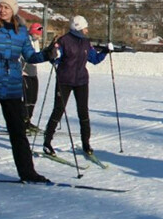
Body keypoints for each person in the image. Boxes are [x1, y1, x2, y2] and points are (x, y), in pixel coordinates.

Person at [0, 0, 50, 190]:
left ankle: (27, 172)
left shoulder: (21, 31)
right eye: (1, 6)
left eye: (7, 7)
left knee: (18, 131)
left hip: (12, 86)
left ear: (13, 10)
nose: (2, 10)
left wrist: (47, 54)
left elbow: (30, 56)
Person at [42, 16, 112, 157]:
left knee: (83, 112)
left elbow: (94, 59)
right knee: (58, 110)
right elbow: (55, 58)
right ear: (79, 28)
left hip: (81, 81)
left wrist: (105, 52)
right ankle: (47, 142)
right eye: (85, 27)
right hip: (64, 80)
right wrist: (53, 55)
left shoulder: (86, 42)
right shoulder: (63, 41)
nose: (87, 30)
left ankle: (86, 143)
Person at [22, 22, 43, 132]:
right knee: (27, 98)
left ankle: (28, 120)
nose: (39, 35)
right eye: (37, 33)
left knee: (33, 98)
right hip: (24, 73)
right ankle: (23, 122)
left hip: (33, 73)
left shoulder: (36, 41)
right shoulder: (27, 40)